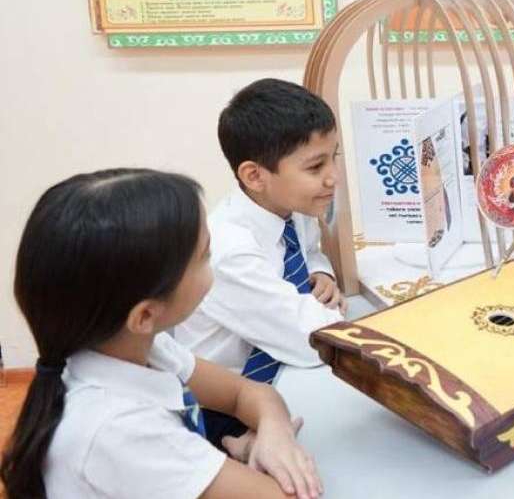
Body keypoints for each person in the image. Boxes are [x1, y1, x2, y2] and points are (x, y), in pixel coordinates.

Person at [0, 169, 323, 499]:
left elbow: (247, 394)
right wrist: (258, 459)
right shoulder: (120, 430)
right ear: (144, 315)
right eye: (205, 256)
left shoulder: (137, 347)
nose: (213, 263)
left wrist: (274, 434)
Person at [175, 79, 345, 449]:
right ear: (254, 176)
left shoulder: (290, 208)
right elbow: (311, 338)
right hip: (224, 407)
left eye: (335, 157)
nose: (333, 177)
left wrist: (321, 271)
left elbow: (309, 250)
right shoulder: (228, 251)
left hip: (285, 370)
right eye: (316, 166)